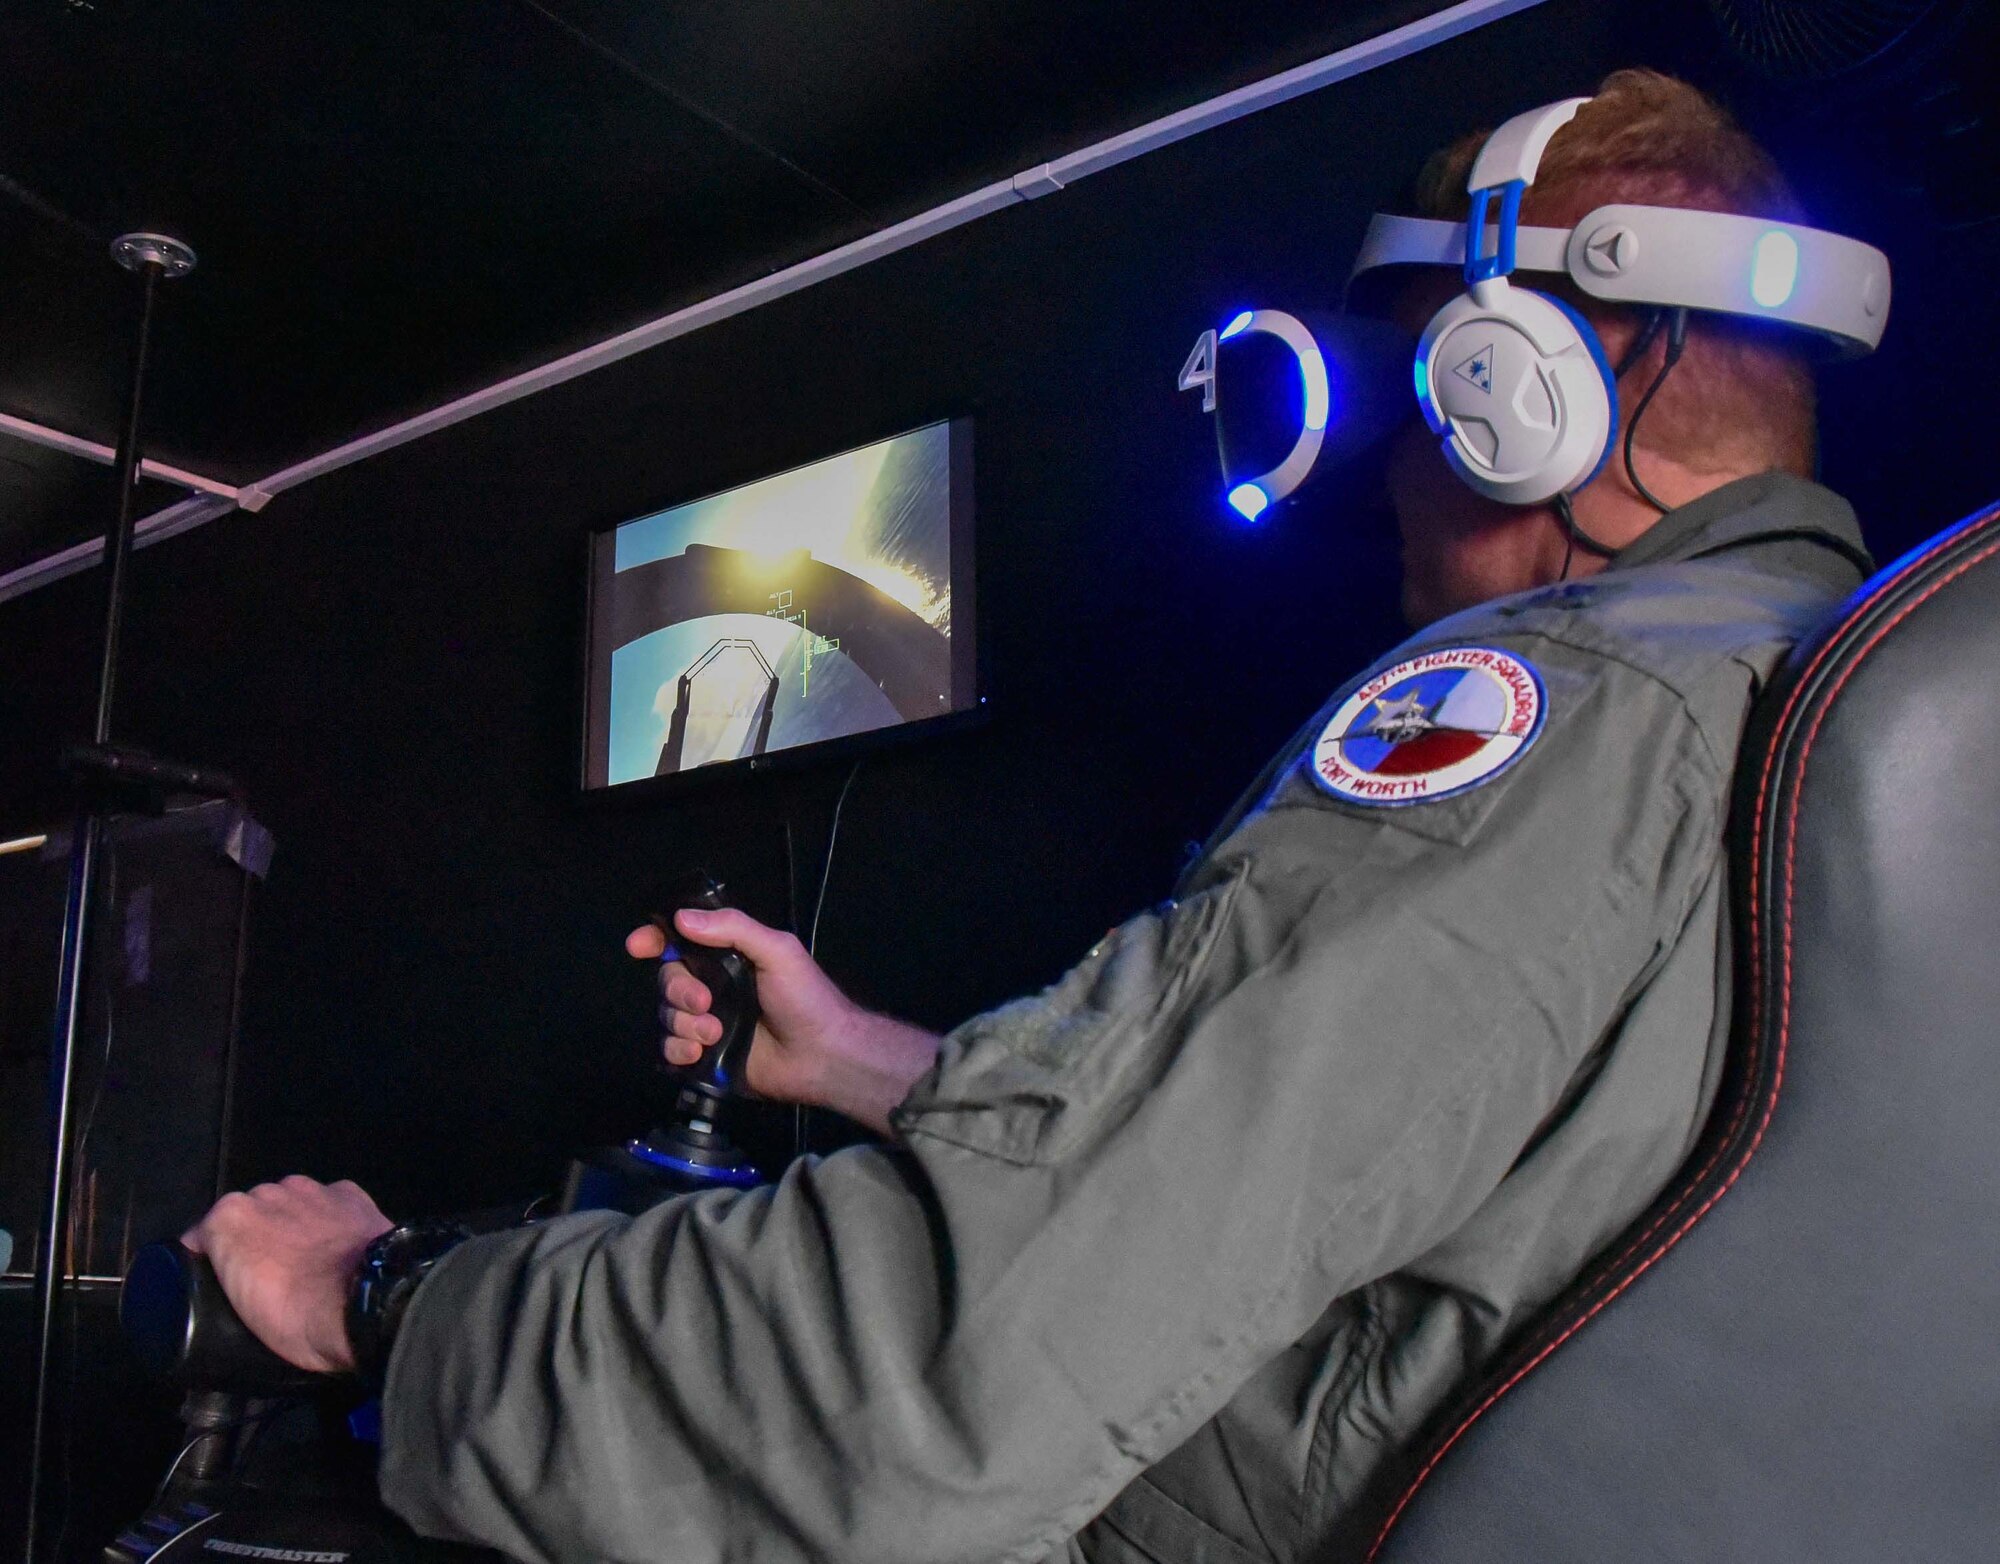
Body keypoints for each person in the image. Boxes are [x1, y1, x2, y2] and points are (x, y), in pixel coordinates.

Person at [183, 72, 1875, 1564]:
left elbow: (925, 1391)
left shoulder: (1561, 706)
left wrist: (384, 1299)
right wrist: (862, 1063)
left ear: (1520, 390)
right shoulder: (1803, 709)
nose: (1390, 467)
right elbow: (1339, 1211)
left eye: (1427, 389)